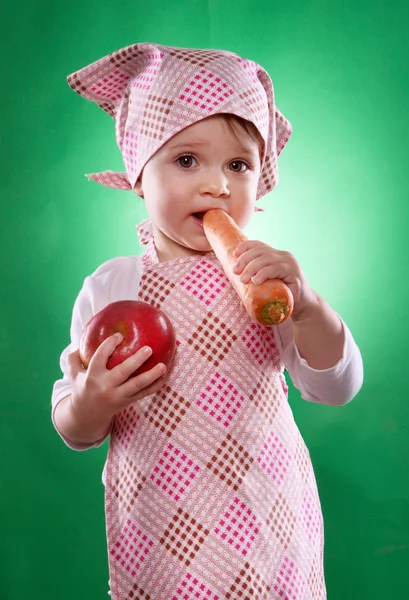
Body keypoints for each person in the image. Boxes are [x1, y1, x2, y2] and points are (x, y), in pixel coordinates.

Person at [52, 42, 363, 600]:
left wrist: (311, 306)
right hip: (161, 520)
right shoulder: (111, 287)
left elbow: (335, 386)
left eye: (239, 165)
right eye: (187, 160)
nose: (217, 184)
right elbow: (75, 429)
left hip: (266, 514)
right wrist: (90, 402)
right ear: (139, 175)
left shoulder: (269, 278)